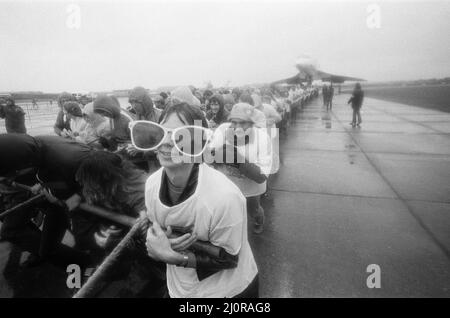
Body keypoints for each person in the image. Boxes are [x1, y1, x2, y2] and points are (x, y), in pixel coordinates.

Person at [131, 102, 258, 298]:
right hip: (180, 287)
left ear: (201, 143)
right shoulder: (152, 184)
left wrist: (172, 257)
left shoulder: (225, 197)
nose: (166, 142)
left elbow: (229, 259)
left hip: (229, 291)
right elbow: (155, 226)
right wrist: (151, 233)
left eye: (181, 136)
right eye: (160, 133)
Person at [210, 103, 272, 235]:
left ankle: (258, 220)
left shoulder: (262, 138)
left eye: (242, 123)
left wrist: (238, 160)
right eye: (234, 122)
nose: (237, 127)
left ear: (252, 123)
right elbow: (209, 155)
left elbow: (262, 176)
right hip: (228, 185)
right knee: (228, 212)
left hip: (251, 188)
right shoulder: (223, 130)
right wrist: (218, 154)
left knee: (253, 210)